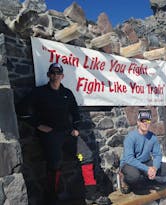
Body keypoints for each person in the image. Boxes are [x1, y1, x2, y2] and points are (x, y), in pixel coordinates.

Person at [17, 63, 111, 205]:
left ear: (62, 76)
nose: (55, 76)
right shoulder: (39, 92)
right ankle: (51, 199)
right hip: (51, 135)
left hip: (68, 135)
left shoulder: (67, 93)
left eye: (58, 73)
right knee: (55, 163)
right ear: (49, 75)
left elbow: (75, 113)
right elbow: (21, 109)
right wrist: (38, 125)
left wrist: (76, 128)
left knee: (85, 156)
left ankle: (92, 195)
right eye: (53, 73)